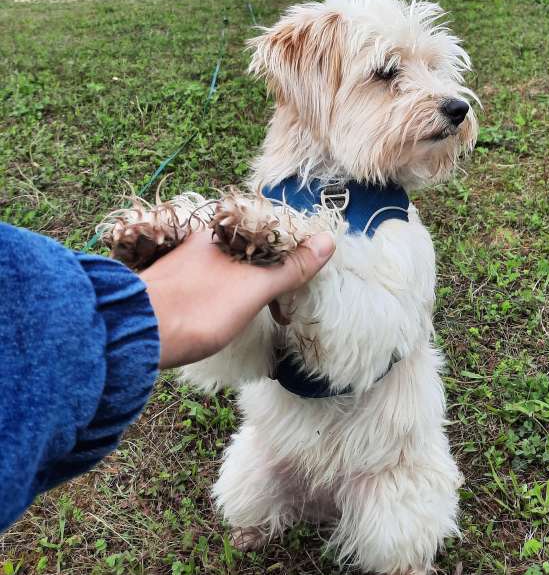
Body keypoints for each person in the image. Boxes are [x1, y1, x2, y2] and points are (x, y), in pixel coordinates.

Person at [0, 220, 334, 532]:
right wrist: (131, 315)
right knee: (245, 495)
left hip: (370, 464)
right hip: (279, 444)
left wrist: (129, 315)